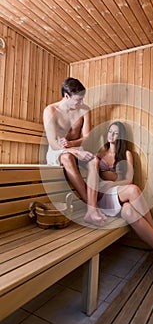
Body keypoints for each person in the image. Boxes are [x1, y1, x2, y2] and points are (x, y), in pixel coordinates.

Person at [86, 121, 153, 287]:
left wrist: (112, 182)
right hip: (104, 200)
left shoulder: (127, 154)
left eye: (116, 133)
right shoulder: (100, 154)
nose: (112, 135)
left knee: (130, 213)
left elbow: (128, 179)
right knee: (133, 190)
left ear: (121, 136)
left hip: (118, 195)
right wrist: (114, 181)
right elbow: (97, 180)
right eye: (110, 132)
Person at [43, 77, 107, 224]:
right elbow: (53, 144)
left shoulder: (84, 110)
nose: (81, 103)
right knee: (66, 158)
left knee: (95, 161)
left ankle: (91, 210)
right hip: (57, 152)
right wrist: (73, 151)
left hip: (76, 147)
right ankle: (92, 208)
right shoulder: (51, 110)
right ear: (66, 96)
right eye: (78, 100)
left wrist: (72, 144)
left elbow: (86, 136)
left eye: (82, 99)